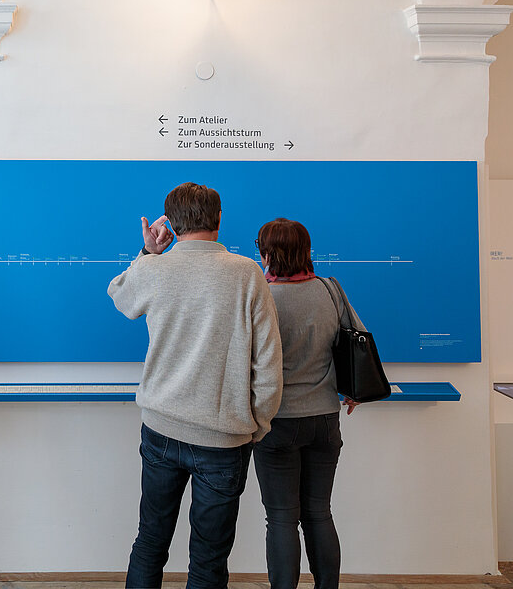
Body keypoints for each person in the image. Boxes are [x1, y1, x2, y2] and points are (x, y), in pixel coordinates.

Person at [108, 182, 283, 589]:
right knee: (208, 558)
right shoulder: (247, 273)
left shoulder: (155, 268)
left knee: (150, 541)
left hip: (160, 430)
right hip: (224, 440)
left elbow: (120, 296)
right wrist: (257, 423)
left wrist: (150, 252)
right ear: (219, 219)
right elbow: (269, 363)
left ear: (171, 223)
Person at [252, 218, 362, 589]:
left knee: (282, 517)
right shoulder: (330, 290)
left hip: (275, 421)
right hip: (325, 420)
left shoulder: (261, 297)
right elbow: (358, 339)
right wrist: (351, 387)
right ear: (306, 251)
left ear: (267, 253)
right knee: (319, 513)